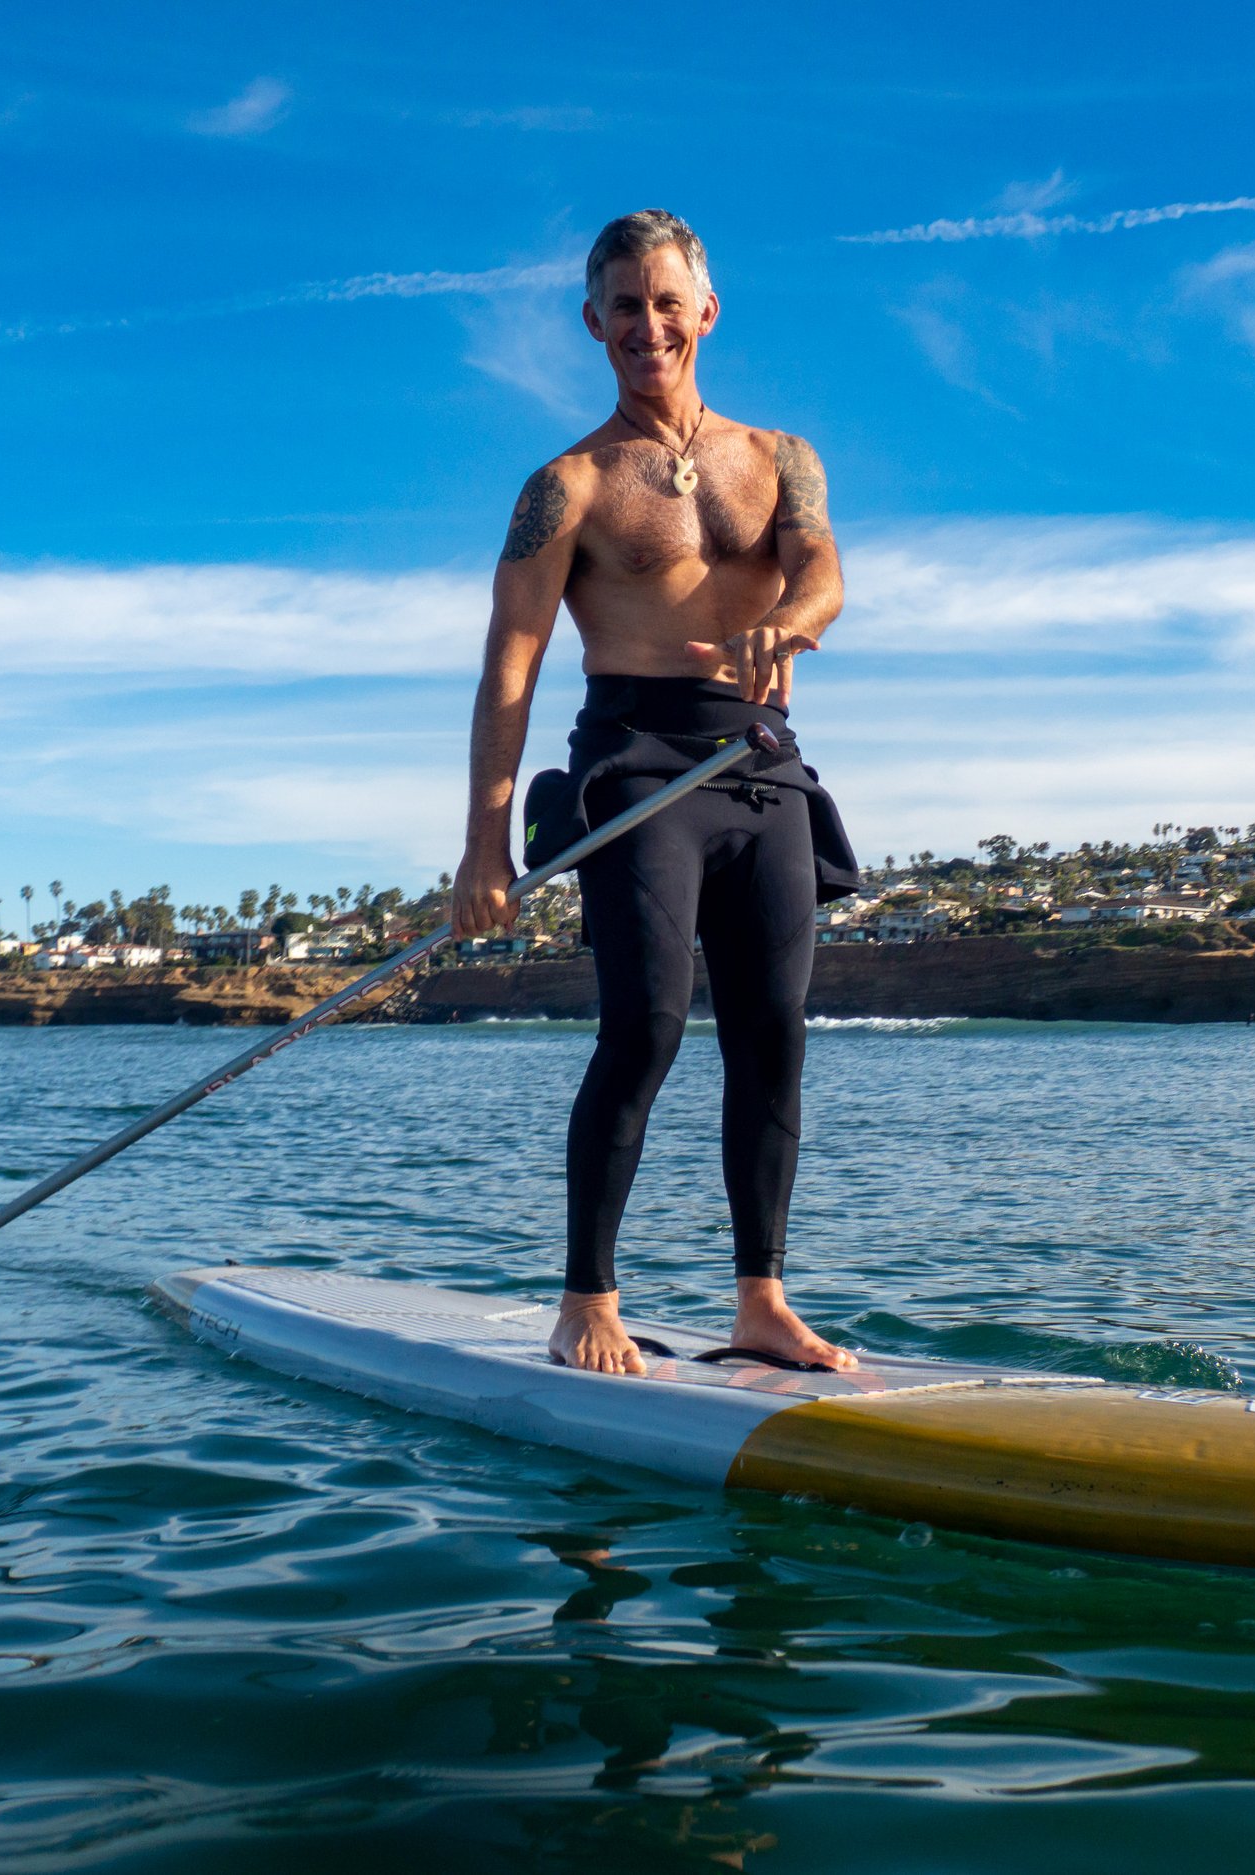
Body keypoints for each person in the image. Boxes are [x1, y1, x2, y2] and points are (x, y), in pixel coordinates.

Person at [452, 210, 861, 1376]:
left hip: (759, 762)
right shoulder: (565, 486)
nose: (647, 324)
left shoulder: (782, 458)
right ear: (593, 323)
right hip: (634, 765)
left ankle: (760, 1303)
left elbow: (824, 572)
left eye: (665, 301)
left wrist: (789, 619)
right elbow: (511, 665)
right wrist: (485, 846)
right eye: (623, 306)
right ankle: (588, 1297)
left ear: (705, 311)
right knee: (644, 1027)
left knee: (773, 1036)